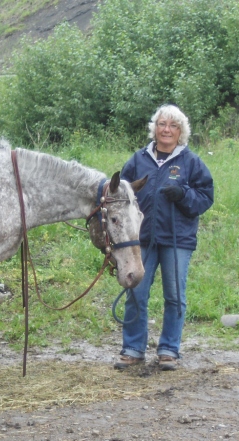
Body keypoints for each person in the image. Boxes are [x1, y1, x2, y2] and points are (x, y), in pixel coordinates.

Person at [114, 104, 214, 371]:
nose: (166, 130)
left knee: (175, 295)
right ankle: (133, 348)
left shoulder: (191, 162)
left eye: (172, 125)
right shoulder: (138, 160)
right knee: (136, 292)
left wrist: (183, 195)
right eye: (162, 124)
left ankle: (169, 349)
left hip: (177, 239)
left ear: (180, 131)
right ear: (154, 128)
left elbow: (206, 197)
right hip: (142, 239)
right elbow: (120, 197)